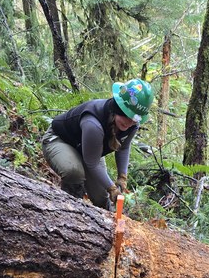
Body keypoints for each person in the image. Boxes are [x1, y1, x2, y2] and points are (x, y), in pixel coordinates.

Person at [42, 78, 154, 210]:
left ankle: (107, 221)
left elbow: (123, 148)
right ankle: (69, 208)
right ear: (117, 107)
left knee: (100, 195)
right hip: (60, 140)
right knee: (74, 172)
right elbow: (92, 163)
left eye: (134, 119)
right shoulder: (93, 123)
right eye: (126, 115)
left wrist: (122, 176)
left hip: (88, 149)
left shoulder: (131, 125)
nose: (129, 122)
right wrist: (111, 187)